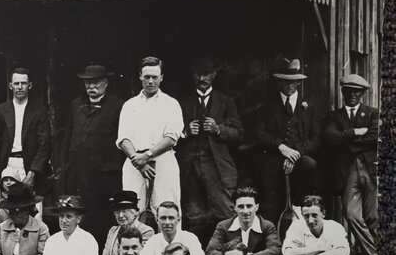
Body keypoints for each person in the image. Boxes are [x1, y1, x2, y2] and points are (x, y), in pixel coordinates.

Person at [178, 59, 244, 239]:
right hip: (189, 165)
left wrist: (218, 129)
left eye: (206, 74)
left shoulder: (226, 101)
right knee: (193, 214)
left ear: (214, 75)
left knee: (225, 212)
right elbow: (170, 133)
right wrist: (185, 131)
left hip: (215, 165)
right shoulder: (183, 102)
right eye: (198, 74)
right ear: (193, 76)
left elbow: (239, 133)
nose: (202, 78)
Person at [58, 64, 124, 242]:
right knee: (80, 214)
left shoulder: (117, 105)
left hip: (105, 176)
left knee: (102, 216)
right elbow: (68, 137)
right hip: (79, 173)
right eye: (88, 83)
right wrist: (65, 167)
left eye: (96, 83)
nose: (91, 87)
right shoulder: (76, 105)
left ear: (106, 83)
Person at [323, 73, 378, 255]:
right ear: (343, 92)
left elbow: (375, 137)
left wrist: (346, 143)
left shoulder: (373, 113)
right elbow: (329, 138)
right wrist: (356, 132)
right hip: (346, 172)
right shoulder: (334, 117)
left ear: (362, 94)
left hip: (370, 170)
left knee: (373, 216)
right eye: (349, 91)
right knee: (352, 214)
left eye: (357, 92)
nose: (353, 95)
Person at [253, 58, 320, 222]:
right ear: (279, 83)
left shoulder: (309, 106)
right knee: (270, 196)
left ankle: (305, 223)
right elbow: (259, 134)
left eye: (294, 82)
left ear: (299, 83)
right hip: (274, 156)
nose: (290, 86)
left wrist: (295, 153)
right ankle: (272, 238)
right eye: (285, 82)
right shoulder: (268, 106)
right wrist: (280, 147)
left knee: (310, 166)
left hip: (300, 156)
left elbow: (316, 139)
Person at [117, 56, 183, 213]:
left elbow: (171, 137)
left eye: (154, 77)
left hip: (163, 161)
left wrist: (146, 156)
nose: (151, 81)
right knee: (131, 210)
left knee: (167, 209)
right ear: (140, 76)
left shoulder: (171, 103)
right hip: (134, 163)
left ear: (161, 77)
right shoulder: (129, 105)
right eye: (147, 77)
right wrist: (137, 159)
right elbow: (123, 138)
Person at [0, 67, 52, 200]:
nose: (20, 87)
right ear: (10, 86)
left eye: (24, 83)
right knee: (4, 209)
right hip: (7, 166)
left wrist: (33, 173)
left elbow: (45, 144)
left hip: (29, 167)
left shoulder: (39, 111)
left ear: (30, 85)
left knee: (32, 210)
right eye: (16, 83)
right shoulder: (0, 111)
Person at [205, 187, 283, 255]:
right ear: (235, 208)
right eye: (241, 207)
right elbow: (211, 250)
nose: (245, 211)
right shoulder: (224, 226)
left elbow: (275, 249)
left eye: (249, 206)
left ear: (257, 207)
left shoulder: (266, 226)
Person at [140, 201, 210, 255]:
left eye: (171, 218)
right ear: (157, 220)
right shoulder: (153, 240)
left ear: (178, 219)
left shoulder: (189, 238)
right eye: (163, 218)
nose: (167, 222)